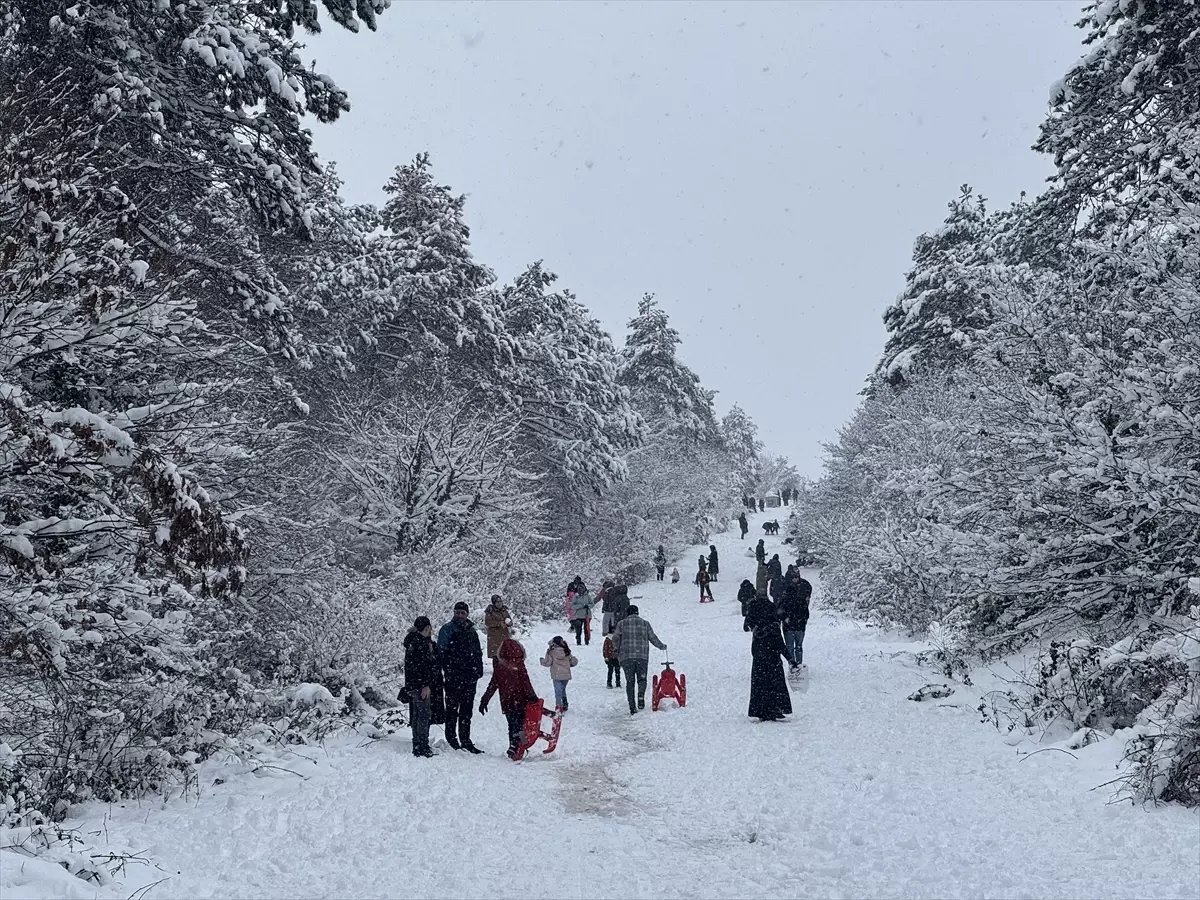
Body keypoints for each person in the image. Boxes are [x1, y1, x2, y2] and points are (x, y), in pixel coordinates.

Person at [479, 637, 539, 759]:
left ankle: (513, 744)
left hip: (507, 701)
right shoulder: (519, 665)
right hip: (520, 700)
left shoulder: (500, 667)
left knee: (511, 724)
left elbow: (493, 685)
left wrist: (484, 700)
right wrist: (533, 697)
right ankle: (519, 744)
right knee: (520, 724)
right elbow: (526, 683)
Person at [437, 602, 485, 753]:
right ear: (454, 613)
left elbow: (478, 652)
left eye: (462, 613)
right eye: (457, 612)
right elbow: (441, 652)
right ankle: (451, 739)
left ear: (467, 614)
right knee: (452, 709)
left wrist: (478, 670)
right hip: (453, 676)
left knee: (466, 710)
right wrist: (448, 669)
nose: (459, 615)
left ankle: (465, 739)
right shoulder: (447, 629)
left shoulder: (472, 631)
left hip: (470, 677)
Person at [611, 605, 666, 714]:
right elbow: (652, 637)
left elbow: (615, 638)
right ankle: (641, 694)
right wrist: (661, 646)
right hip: (642, 656)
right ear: (637, 613)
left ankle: (632, 706)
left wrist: (616, 649)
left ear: (628, 613)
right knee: (642, 679)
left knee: (630, 682)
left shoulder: (621, 624)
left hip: (626, 657)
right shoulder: (645, 623)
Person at [745, 605, 792, 722]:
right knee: (775, 686)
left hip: (759, 663)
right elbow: (781, 646)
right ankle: (775, 708)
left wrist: (758, 656)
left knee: (760, 687)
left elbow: (753, 649)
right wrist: (790, 659)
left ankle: (760, 710)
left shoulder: (757, 631)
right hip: (773, 662)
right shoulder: (774, 629)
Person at [403, 616, 439, 758]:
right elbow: (422, 666)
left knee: (418, 715)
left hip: (413, 685)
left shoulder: (413, 642)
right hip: (419, 685)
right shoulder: (420, 644)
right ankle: (422, 746)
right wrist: (425, 684)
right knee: (423, 715)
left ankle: (417, 744)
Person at [778, 568, 812, 672]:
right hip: (799, 627)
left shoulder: (785, 600)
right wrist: (802, 621)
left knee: (790, 647)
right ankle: (798, 664)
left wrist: (785, 619)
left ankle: (792, 664)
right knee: (798, 646)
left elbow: (779, 612)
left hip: (789, 626)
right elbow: (806, 613)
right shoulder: (801, 599)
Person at [540, 635, 579, 710]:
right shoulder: (566, 650)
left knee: (558, 692)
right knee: (562, 689)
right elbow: (574, 662)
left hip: (557, 675)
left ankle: (559, 707)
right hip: (566, 676)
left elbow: (547, 663)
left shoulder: (551, 652)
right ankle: (565, 704)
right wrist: (569, 663)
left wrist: (541, 660)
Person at [484, 594, 512, 659]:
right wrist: (499, 623)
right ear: (494, 603)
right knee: (496, 657)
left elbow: (509, 619)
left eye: (500, 601)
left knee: (505, 657)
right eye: (497, 602)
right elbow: (487, 622)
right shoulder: (490, 611)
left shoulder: (504, 610)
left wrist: (509, 623)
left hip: (504, 636)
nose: (499, 603)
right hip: (494, 638)